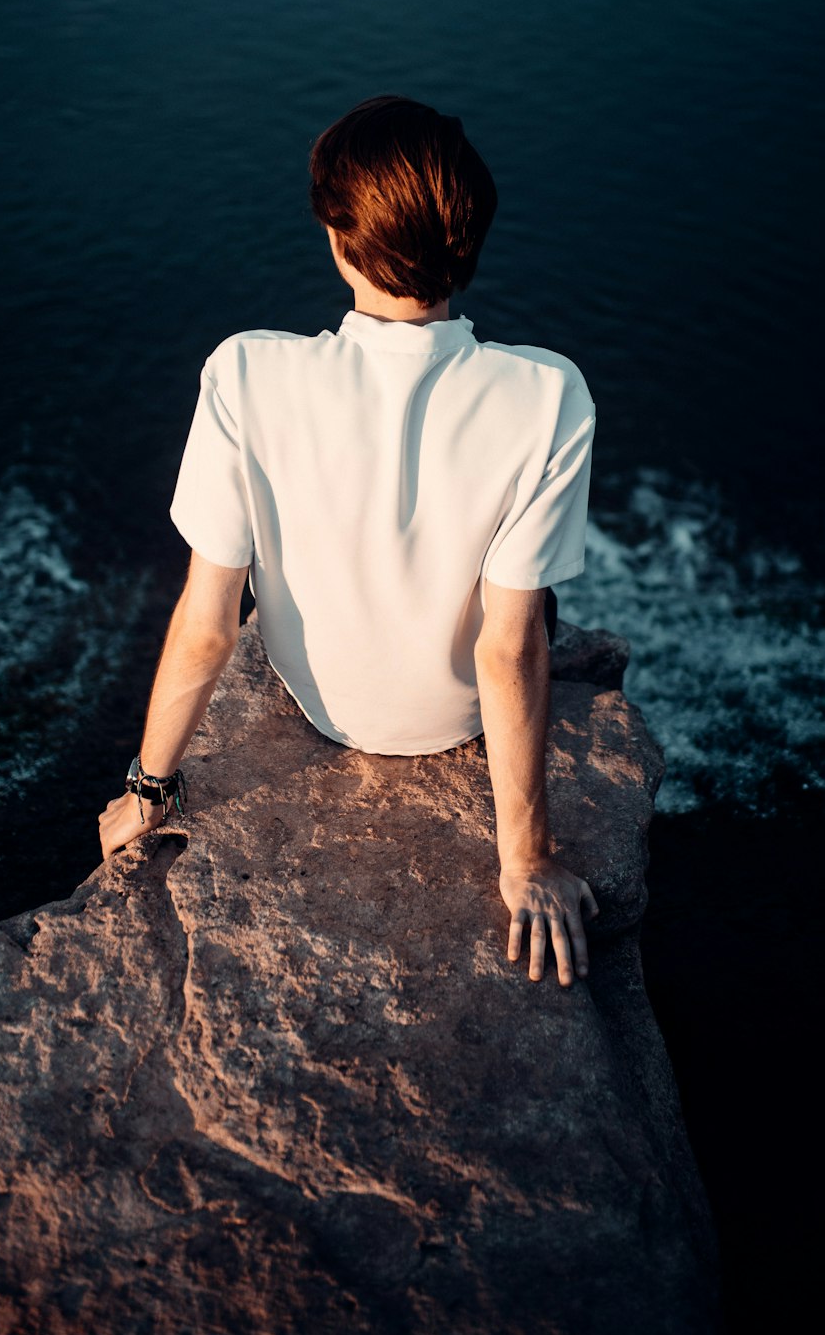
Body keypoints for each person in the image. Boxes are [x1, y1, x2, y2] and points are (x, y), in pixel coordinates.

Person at [99, 95, 598, 986]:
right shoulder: (549, 394)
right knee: (532, 590)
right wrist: (525, 859)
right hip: (451, 721)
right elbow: (510, 642)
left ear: (338, 237)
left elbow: (212, 621)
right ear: (470, 240)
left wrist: (147, 792)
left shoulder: (246, 371)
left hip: (322, 705)